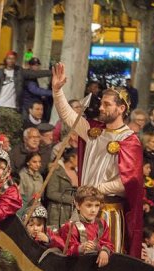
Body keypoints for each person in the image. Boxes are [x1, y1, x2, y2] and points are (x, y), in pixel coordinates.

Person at [52, 62, 144, 258]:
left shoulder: (129, 140)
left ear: (121, 109)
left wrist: (97, 190)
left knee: (106, 261)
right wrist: (57, 91)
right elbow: (69, 117)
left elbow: (129, 181)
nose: (100, 107)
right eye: (101, 102)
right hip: (84, 209)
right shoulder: (94, 131)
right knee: (80, 258)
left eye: (106, 104)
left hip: (108, 211)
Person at [52, 185, 114, 267]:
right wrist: (81, 248)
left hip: (96, 266)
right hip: (76, 268)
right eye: (89, 205)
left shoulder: (101, 224)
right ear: (77, 205)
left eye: (97, 205)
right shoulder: (71, 226)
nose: (93, 210)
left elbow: (107, 243)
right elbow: (66, 251)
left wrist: (105, 251)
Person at [45, 148, 79, 228]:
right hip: (58, 213)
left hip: (72, 213)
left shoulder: (77, 172)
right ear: (71, 158)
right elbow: (51, 193)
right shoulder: (57, 171)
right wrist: (72, 200)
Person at [17, 152, 43, 217]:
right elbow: (21, 196)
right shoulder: (22, 175)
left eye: (39, 162)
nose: (38, 164)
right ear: (28, 162)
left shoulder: (40, 177)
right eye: (34, 162)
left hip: (36, 209)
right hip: (24, 209)